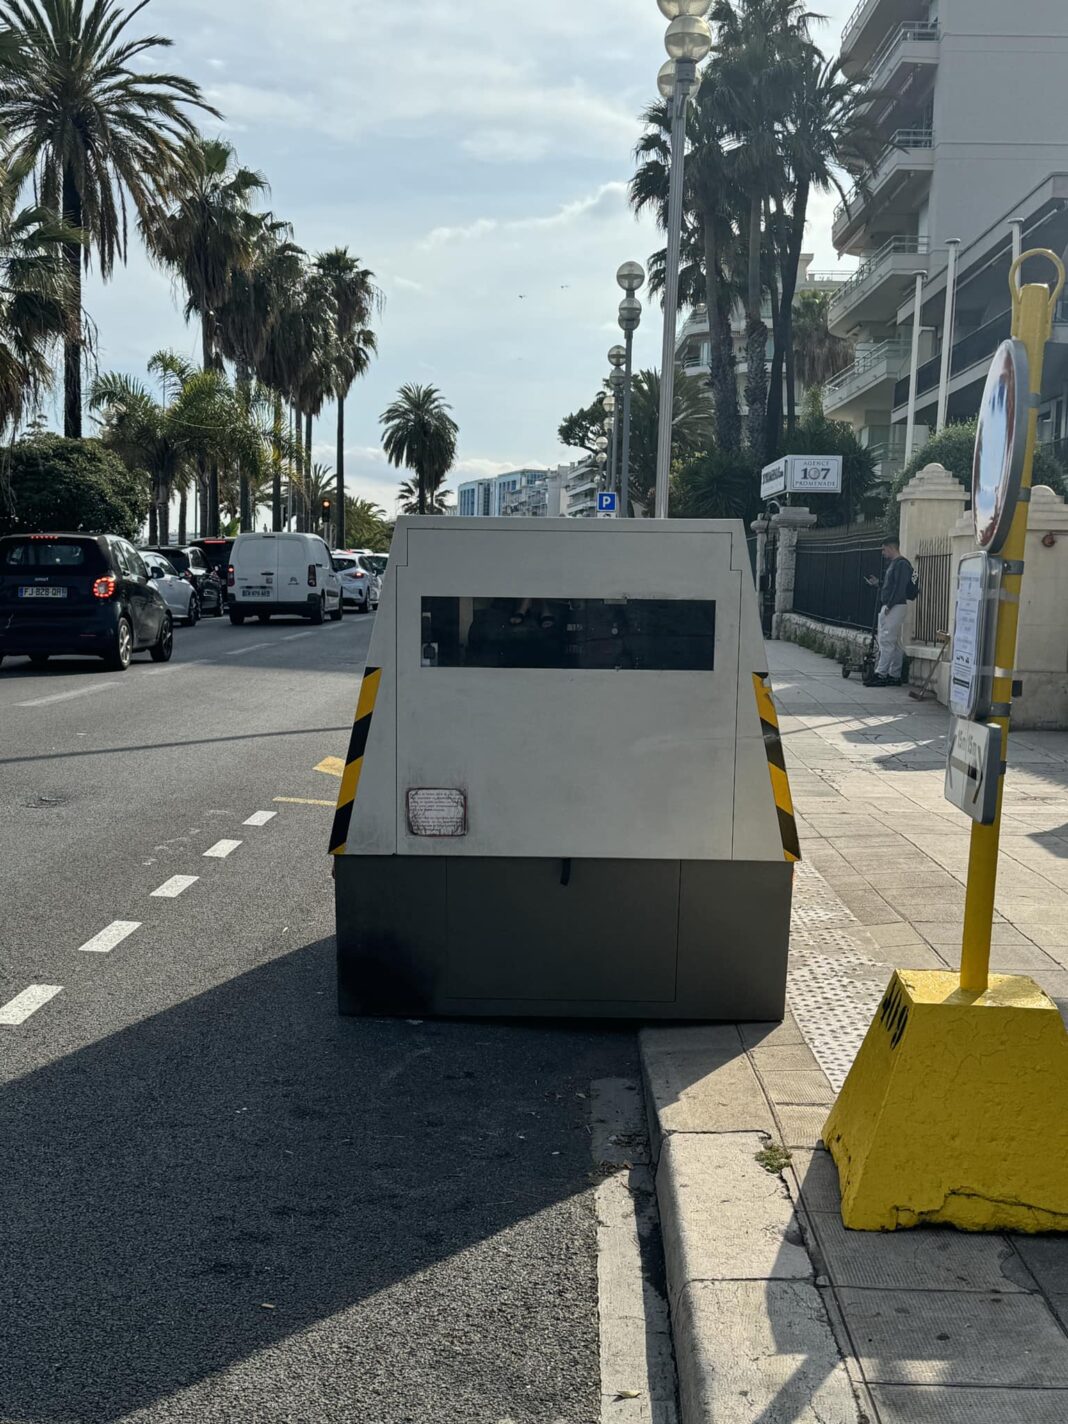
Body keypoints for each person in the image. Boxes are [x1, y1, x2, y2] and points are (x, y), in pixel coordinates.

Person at [864, 538, 913, 687]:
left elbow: (899, 587)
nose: (883, 553)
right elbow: (892, 586)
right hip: (894, 605)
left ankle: (881, 674)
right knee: (895, 642)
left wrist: (889, 605)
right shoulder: (896, 564)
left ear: (891, 548)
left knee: (886, 640)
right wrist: (878, 583)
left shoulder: (901, 564)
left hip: (895, 606)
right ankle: (894, 674)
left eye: (884, 549)